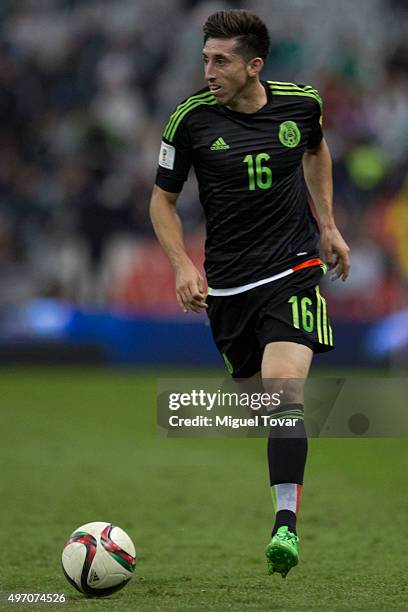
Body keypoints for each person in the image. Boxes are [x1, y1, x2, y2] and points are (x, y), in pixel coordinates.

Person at [150, 9, 350, 578]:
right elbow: (161, 201)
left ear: (253, 65)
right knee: (257, 402)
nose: (208, 70)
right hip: (229, 286)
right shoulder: (188, 120)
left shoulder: (300, 103)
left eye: (221, 60)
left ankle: (285, 525)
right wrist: (181, 264)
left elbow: (316, 151)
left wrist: (329, 226)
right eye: (205, 58)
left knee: (283, 391)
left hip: (294, 268)